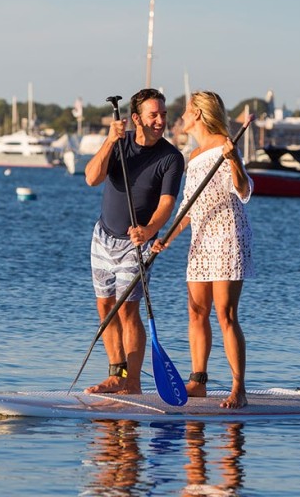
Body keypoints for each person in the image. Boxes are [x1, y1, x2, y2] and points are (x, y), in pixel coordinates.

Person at [152, 91, 254, 409]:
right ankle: (198, 381)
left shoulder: (225, 145)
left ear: (197, 114)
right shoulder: (194, 157)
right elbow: (188, 206)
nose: (180, 117)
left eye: (185, 111)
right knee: (196, 312)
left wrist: (234, 159)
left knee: (225, 315)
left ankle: (239, 388)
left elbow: (245, 189)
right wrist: (167, 236)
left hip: (227, 237)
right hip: (201, 240)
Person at [84, 88, 185, 395]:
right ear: (136, 119)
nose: (160, 121)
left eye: (163, 114)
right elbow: (91, 178)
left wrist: (149, 229)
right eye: (154, 115)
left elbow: (167, 203)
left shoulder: (171, 157)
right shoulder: (120, 145)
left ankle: (133, 383)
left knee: (127, 310)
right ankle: (116, 373)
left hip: (136, 243)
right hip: (102, 238)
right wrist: (110, 141)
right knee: (105, 308)